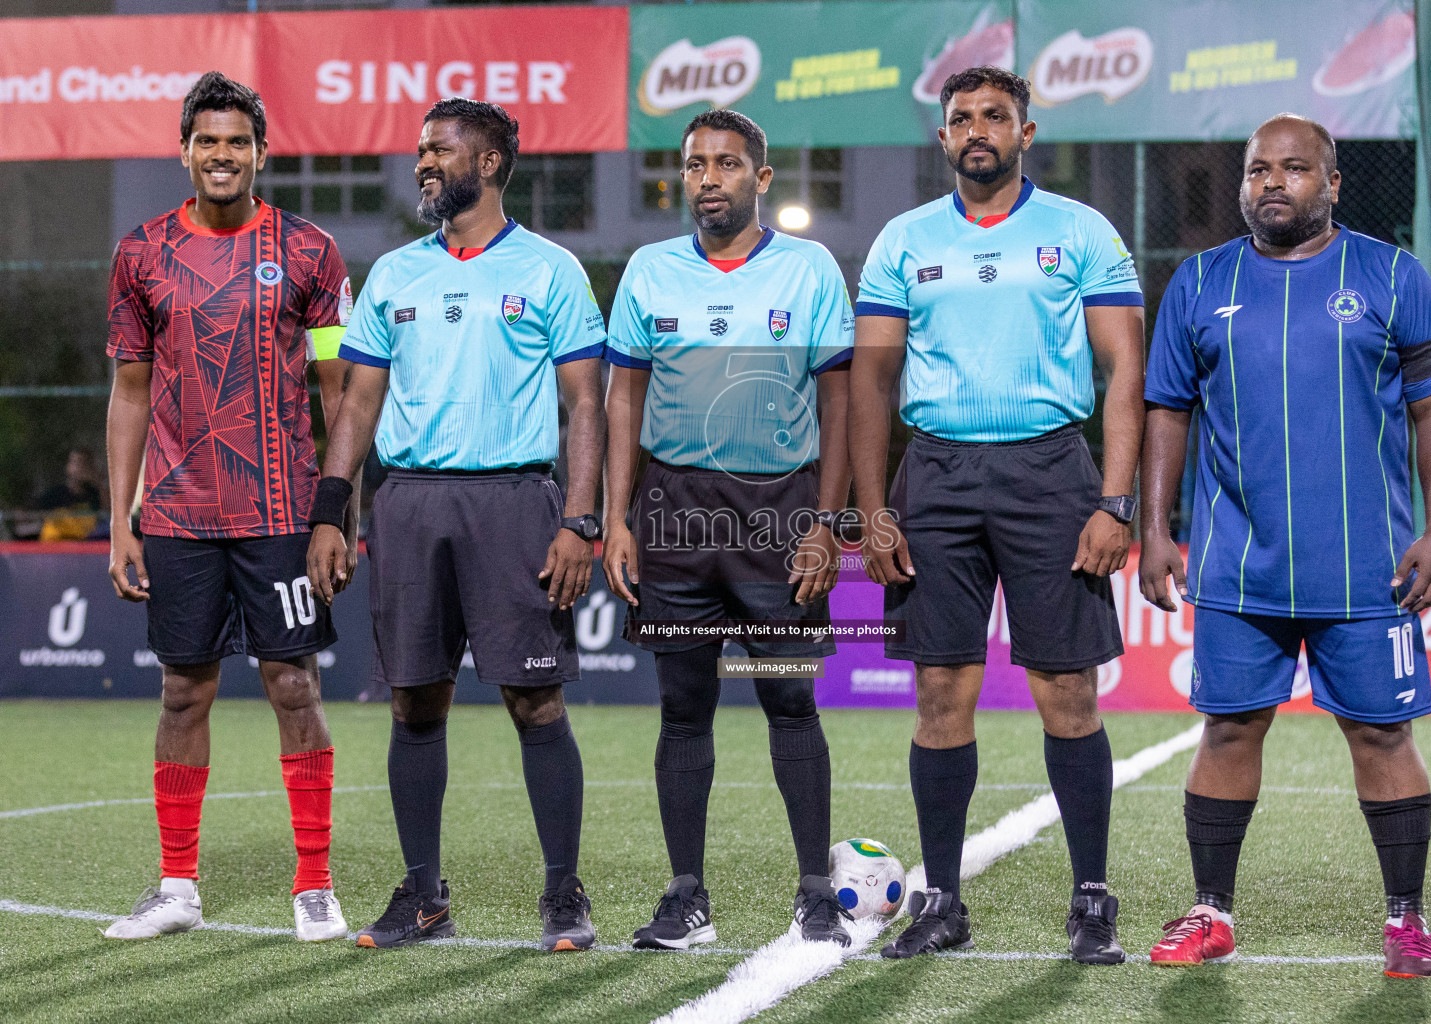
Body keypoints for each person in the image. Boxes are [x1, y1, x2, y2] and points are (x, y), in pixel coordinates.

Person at [1140, 114, 1431, 978]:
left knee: (1382, 737)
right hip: (1239, 563)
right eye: (1256, 170)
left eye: (1293, 168)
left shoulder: (1391, 274)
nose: (1271, 183)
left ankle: (1407, 921)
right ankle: (1212, 912)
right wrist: (1155, 528)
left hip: (1369, 564)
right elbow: (1167, 409)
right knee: (1229, 729)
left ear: (1332, 181)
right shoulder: (1201, 281)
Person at [850, 66, 1145, 963]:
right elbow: (870, 376)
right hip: (934, 476)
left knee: (1067, 691)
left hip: (1052, 472)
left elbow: (1125, 371)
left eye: (996, 116)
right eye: (961, 118)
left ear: (1025, 131)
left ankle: (1091, 899)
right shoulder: (904, 239)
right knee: (940, 693)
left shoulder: (1080, 231)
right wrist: (872, 508)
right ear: (943, 139)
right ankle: (941, 903)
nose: (978, 129)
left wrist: (1116, 502)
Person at [306, 98, 606, 952]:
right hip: (409, 503)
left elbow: (587, 400)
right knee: (413, 702)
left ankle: (562, 893)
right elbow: (357, 403)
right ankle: (424, 896)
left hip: (515, 502)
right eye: (421, 150)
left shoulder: (550, 270)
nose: (423, 163)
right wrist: (334, 508)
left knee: (535, 700)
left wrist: (580, 520)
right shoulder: (395, 273)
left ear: (493, 161)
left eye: (441, 149)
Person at [102, 71, 356, 942]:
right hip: (176, 515)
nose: (221, 155)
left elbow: (338, 386)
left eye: (236, 142)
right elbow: (129, 392)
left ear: (259, 153)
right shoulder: (140, 253)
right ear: (184, 151)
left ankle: (315, 887)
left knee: (294, 683)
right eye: (206, 141)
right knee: (182, 692)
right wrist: (120, 518)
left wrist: (337, 511)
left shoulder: (313, 252)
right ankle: (177, 887)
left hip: (283, 513)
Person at [603, 109, 855, 949]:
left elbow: (841, 401)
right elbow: (623, 400)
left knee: (789, 698)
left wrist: (828, 522)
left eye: (726, 164)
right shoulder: (649, 270)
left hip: (778, 516)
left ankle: (817, 891)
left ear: (761, 178)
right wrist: (615, 517)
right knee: (683, 708)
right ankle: (686, 897)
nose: (708, 177)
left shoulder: (810, 269)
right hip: (674, 518)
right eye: (695, 164)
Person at [34, 449, 103, 512]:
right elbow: (31, 514)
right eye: (77, 463)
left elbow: (108, 514)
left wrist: (97, 482)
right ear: (68, 467)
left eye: (85, 464)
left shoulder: (94, 493)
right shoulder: (55, 494)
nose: (80, 468)